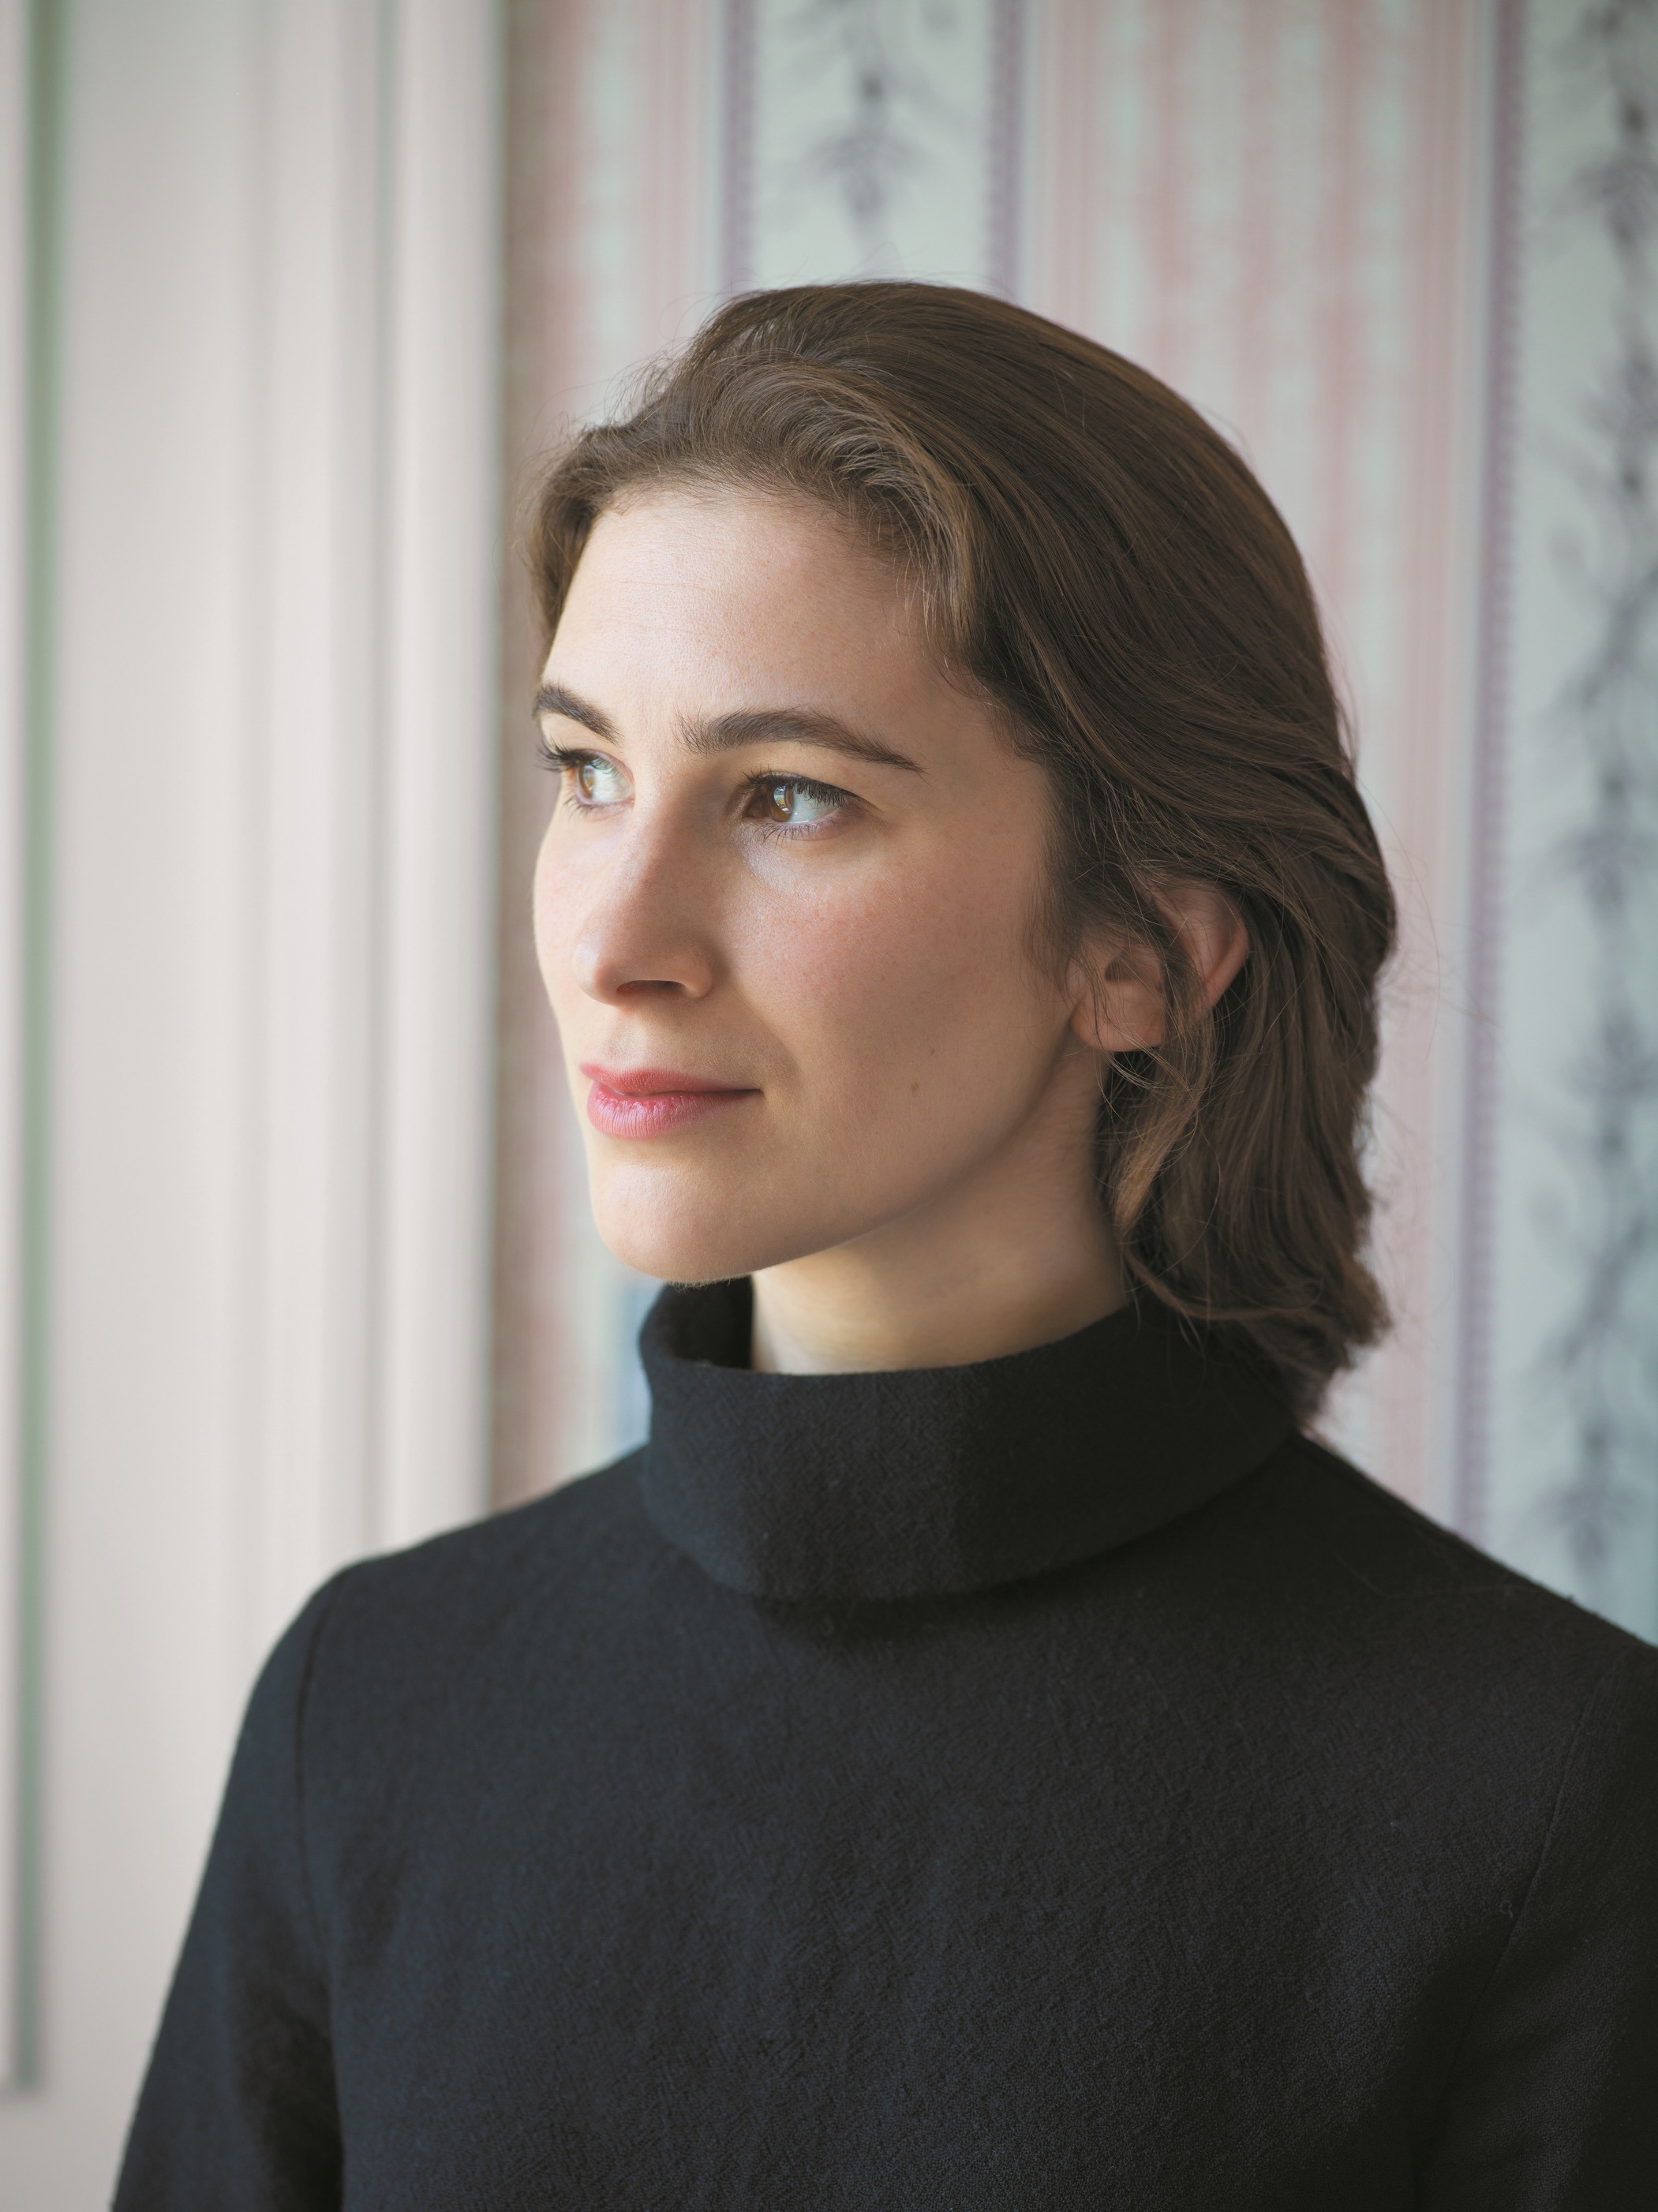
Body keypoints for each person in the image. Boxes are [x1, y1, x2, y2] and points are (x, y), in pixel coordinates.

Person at [117, 283, 1656, 2209]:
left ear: (1148, 948)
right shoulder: (369, 1708)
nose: (615, 938)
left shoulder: (1539, 1796)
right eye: (586, 769)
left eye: (787, 798)